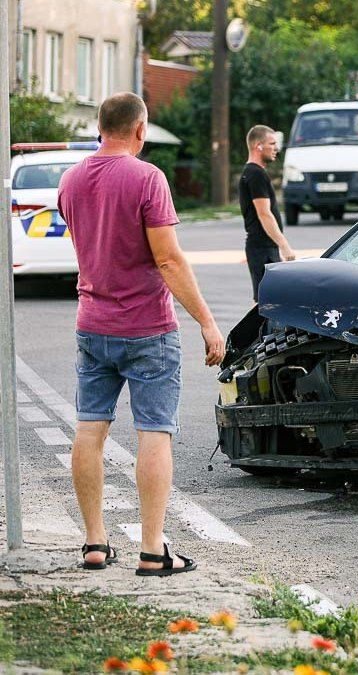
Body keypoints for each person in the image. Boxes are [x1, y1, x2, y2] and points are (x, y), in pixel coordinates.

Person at [58, 92, 225, 576]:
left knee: (90, 427)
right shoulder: (147, 178)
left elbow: (90, 246)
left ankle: (94, 543)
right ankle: (153, 549)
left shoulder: (71, 180)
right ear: (140, 129)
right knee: (154, 433)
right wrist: (207, 322)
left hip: (92, 325)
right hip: (148, 328)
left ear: (99, 127)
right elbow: (168, 260)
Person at [239, 125, 296, 302]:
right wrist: (285, 246)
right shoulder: (255, 174)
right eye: (272, 144)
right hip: (261, 247)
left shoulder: (253, 172)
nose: (276, 149)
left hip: (263, 247)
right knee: (265, 302)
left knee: (267, 299)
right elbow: (264, 214)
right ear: (258, 146)